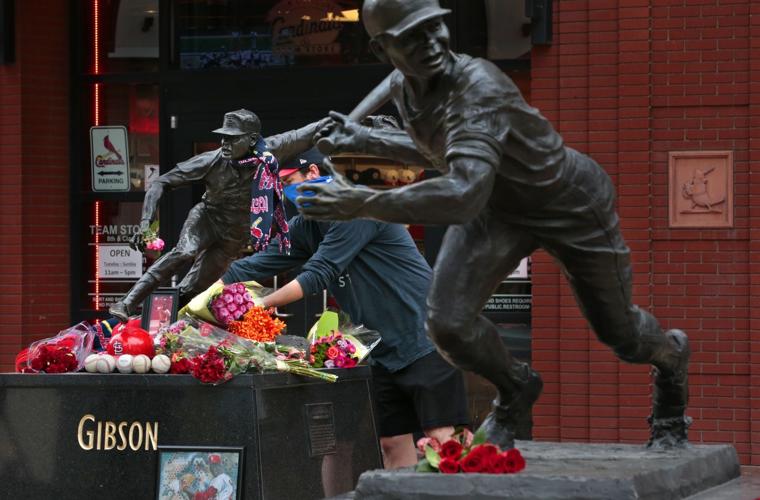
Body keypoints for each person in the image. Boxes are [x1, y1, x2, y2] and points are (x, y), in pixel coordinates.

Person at [303, 0, 691, 449]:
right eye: (412, 38)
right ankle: (515, 390)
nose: (430, 45)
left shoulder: (478, 87)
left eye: (434, 29)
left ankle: (673, 362)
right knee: (447, 324)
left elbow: (462, 193)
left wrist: (358, 201)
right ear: (383, 49)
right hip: (500, 207)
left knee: (620, 334)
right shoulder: (406, 86)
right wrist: (366, 138)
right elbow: (441, 150)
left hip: (568, 205)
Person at [222, 145, 470, 469]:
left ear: (313, 174)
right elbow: (253, 266)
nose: (283, 192)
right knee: (391, 444)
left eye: (288, 180)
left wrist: (259, 304)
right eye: (277, 187)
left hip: (426, 337)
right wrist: (200, 297)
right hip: (381, 349)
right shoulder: (307, 226)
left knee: (443, 439)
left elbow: (320, 272)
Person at [109, 109, 326, 322]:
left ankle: (167, 322)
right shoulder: (212, 160)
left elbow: (314, 131)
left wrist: (353, 123)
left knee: (198, 286)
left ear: (251, 139)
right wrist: (146, 222)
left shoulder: (274, 150)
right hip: (208, 217)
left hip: (235, 233)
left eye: (231, 139)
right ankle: (126, 303)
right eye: (223, 138)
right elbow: (161, 182)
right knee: (185, 251)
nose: (224, 144)